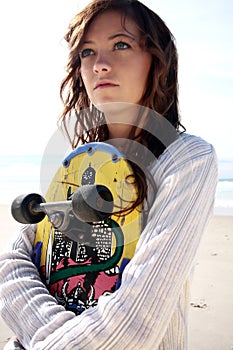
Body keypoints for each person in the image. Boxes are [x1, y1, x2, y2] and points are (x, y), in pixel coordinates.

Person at [0, 0, 218, 349]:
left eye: (121, 45)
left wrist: (39, 339)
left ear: (157, 61)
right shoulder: (78, 163)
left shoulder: (186, 159)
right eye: (87, 52)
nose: (100, 65)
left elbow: (134, 326)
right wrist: (60, 333)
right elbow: (12, 266)